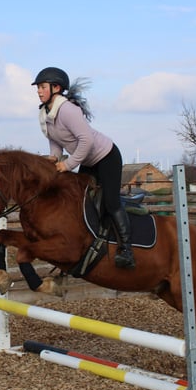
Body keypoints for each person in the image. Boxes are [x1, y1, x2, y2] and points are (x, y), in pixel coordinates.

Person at [32, 66, 134, 269]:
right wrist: (53, 159)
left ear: (56, 88)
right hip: (87, 161)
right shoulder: (45, 113)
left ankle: (127, 250)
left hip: (106, 157)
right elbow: (56, 142)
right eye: (38, 87)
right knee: (81, 202)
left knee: (111, 202)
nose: (39, 91)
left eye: (42, 87)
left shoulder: (68, 110)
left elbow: (85, 140)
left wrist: (68, 164)